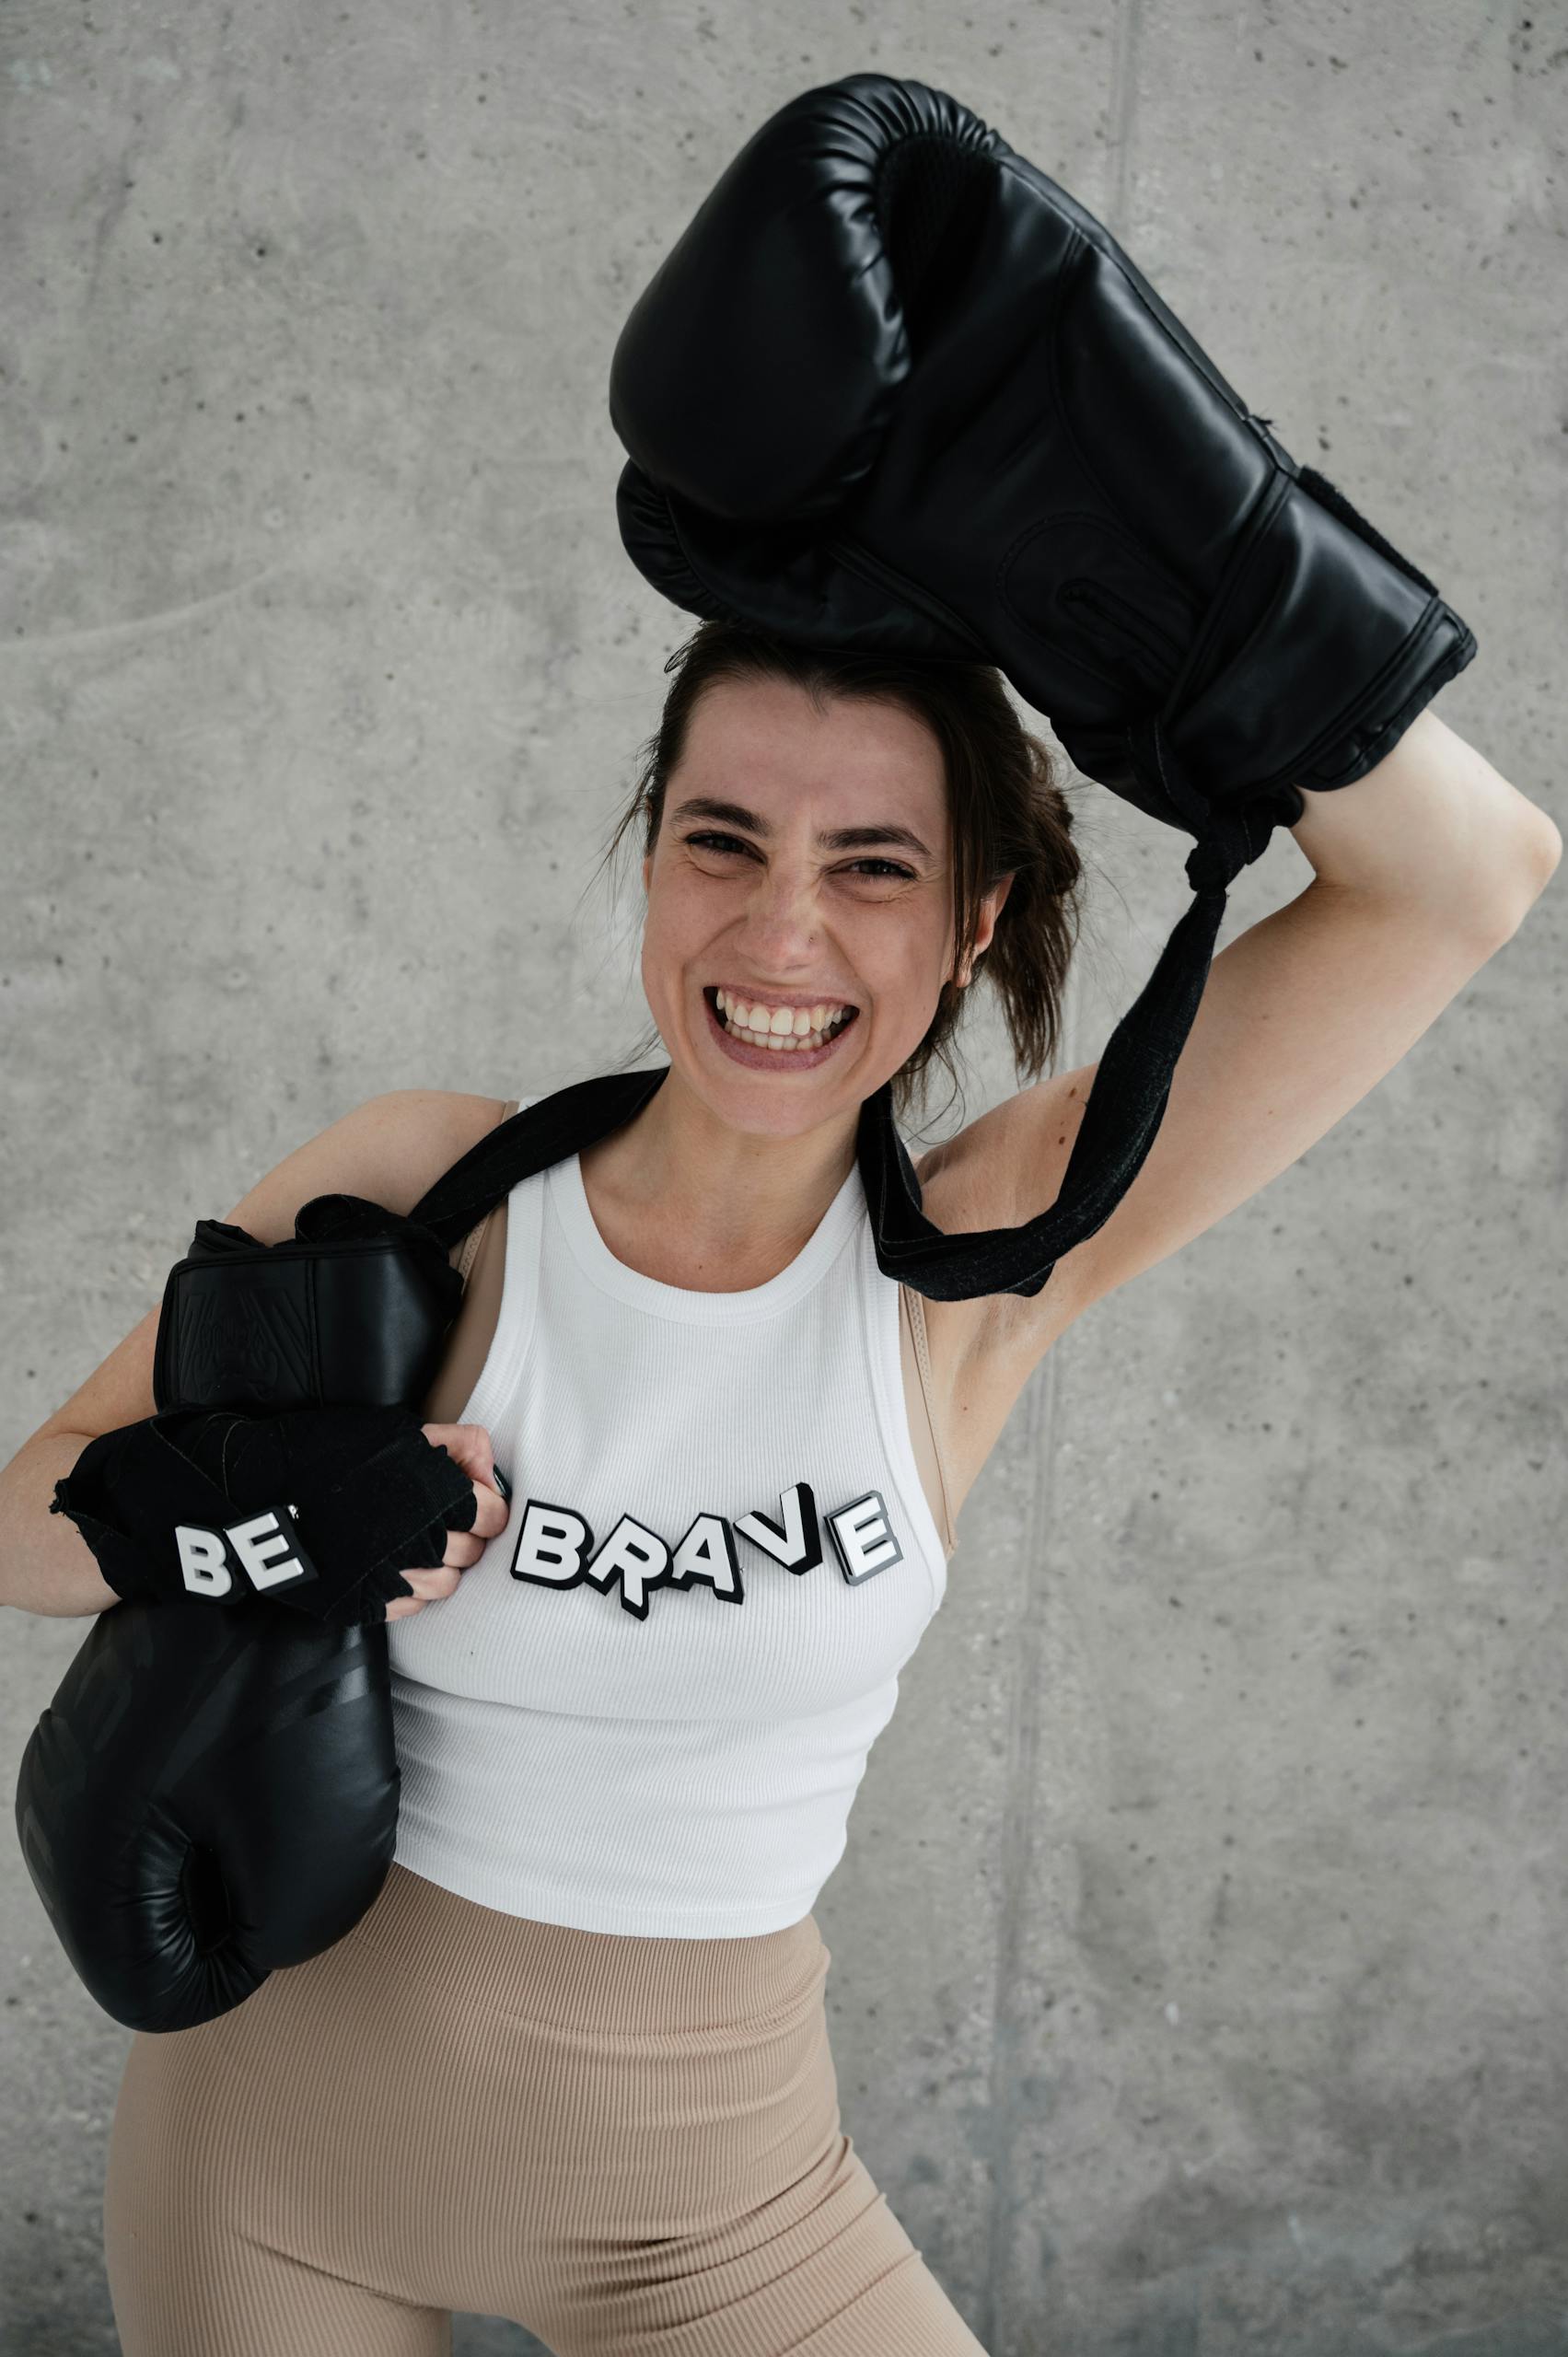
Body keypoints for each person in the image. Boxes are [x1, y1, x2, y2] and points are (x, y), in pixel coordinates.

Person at [2, 619, 1557, 2355]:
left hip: (718, 2226)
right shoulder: (430, 1190)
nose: (781, 931)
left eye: (873, 866)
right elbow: (22, 1519)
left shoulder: (982, 1264)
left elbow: (1469, 876)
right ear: (654, 855)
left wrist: (1144, 562)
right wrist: (269, 1505)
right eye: (722, 840)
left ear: (975, 922)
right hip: (267, 2170)